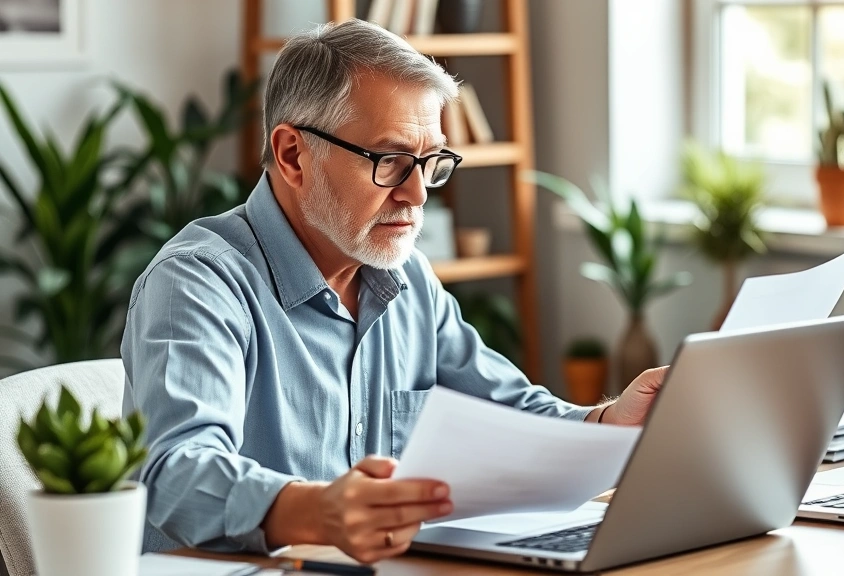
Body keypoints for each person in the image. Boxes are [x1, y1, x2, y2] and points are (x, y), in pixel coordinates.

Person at [121, 19, 667, 565]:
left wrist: (606, 423)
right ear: (292, 155)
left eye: (430, 163)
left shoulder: (409, 283)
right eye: (391, 161)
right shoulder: (197, 283)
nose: (417, 193)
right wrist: (317, 511)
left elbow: (510, 410)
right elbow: (176, 472)